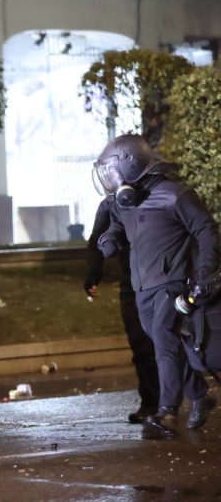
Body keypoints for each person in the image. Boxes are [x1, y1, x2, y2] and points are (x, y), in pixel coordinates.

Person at [94, 134, 219, 435]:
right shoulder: (126, 201)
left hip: (172, 281)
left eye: (112, 171)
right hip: (142, 285)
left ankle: (167, 413)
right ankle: (199, 394)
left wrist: (204, 275)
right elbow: (119, 226)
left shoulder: (175, 195)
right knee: (166, 342)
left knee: (164, 337)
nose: (110, 180)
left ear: (131, 165)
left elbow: (207, 231)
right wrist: (110, 237)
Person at [85, 195, 160, 423]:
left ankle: (188, 395)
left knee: (168, 342)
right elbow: (97, 240)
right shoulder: (111, 205)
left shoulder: (158, 196)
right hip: (132, 284)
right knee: (141, 346)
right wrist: (93, 276)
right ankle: (151, 404)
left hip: (162, 280)